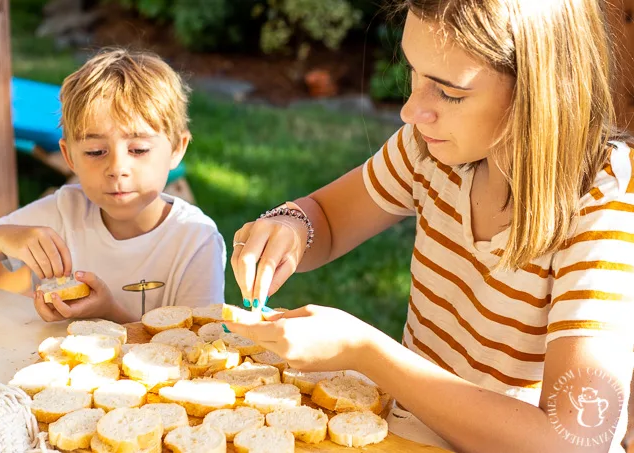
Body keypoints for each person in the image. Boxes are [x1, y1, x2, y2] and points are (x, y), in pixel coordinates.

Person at [227, 1, 634, 451]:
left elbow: (575, 441)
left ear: (542, 90)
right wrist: (291, 224)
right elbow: (327, 219)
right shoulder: (429, 150)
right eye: (415, 75)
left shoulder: (607, 204)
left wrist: (367, 352)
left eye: (449, 92)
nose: (411, 110)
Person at [0, 49, 226, 324]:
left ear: (177, 149)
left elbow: (199, 352)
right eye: (96, 151)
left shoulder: (196, 240)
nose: (117, 168)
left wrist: (110, 313)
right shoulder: (63, 211)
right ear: (69, 156)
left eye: (139, 149)